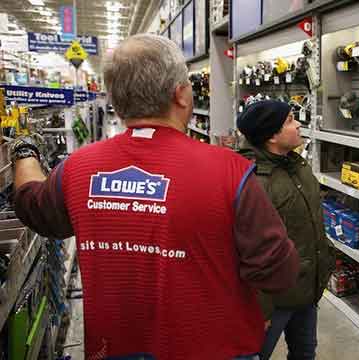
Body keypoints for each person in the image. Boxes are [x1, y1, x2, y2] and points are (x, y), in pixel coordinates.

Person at [11, 34, 300, 360]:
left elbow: (31, 205)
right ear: (180, 95)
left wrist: (24, 151)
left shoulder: (76, 170)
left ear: (116, 100)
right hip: (215, 348)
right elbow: (279, 272)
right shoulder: (231, 171)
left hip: (114, 349)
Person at [237, 100, 335, 360]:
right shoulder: (255, 181)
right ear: (271, 136)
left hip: (305, 288)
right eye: (291, 120)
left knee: (304, 352)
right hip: (273, 300)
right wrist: (261, 310)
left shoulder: (295, 165)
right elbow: (250, 251)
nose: (299, 123)